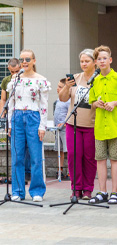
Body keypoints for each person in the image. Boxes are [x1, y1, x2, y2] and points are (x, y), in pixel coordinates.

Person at [88, 45, 117, 204]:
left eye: (104, 58)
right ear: (96, 62)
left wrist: (114, 103)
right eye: (99, 59)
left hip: (115, 126)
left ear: (110, 60)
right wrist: (96, 104)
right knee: (100, 159)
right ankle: (102, 192)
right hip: (99, 127)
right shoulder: (95, 80)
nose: (102, 61)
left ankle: (116, 192)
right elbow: (91, 103)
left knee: (114, 159)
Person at [7, 49, 51, 202]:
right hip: (17, 117)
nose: (24, 62)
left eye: (27, 59)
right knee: (17, 157)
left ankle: (37, 190)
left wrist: (42, 126)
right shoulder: (15, 79)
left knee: (35, 156)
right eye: (22, 59)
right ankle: (18, 191)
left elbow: (44, 105)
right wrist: (9, 123)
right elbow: (11, 102)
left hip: (33, 116)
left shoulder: (41, 80)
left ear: (34, 61)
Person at [59, 49, 98, 200]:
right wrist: (67, 87)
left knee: (89, 158)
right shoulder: (75, 78)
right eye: (82, 61)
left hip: (92, 125)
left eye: (87, 61)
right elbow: (62, 98)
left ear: (94, 62)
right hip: (73, 124)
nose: (84, 64)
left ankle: (88, 189)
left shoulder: (99, 79)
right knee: (74, 156)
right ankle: (76, 188)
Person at [0, 58, 31, 182]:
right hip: (12, 116)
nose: (14, 74)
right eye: (12, 72)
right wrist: (3, 114)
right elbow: (3, 99)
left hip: (25, 114)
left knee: (27, 147)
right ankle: (17, 175)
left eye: (17, 71)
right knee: (15, 147)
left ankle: (27, 172)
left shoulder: (26, 78)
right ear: (9, 69)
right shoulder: (6, 80)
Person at [53, 78, 70, 180]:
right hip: (57, 130)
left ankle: (70, 172)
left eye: (60, 87)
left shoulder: (68, 101)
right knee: (60, 150)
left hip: (65, 130)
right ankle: (60, 170)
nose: (57, 89)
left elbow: (70, 115)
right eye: (58, 86)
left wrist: (64, 124)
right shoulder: (58, 100)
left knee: (68, 150)